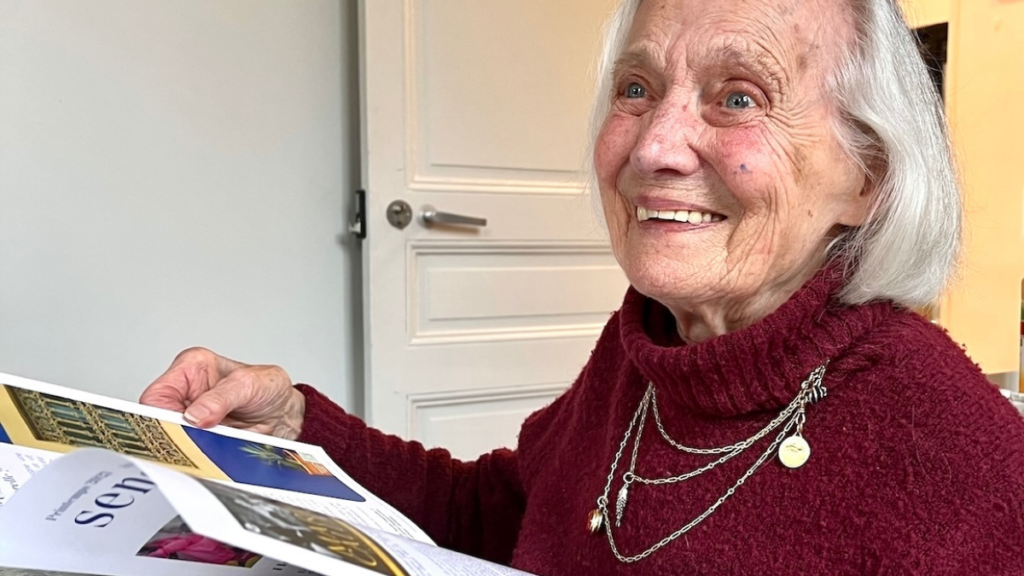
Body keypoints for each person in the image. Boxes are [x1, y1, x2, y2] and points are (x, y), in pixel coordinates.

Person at [141, 0, 1024, 572]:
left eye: (739, 97)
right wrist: (297, 427)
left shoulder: (965, 463)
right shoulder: (653, 345)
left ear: (867, 175)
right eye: (637, 88)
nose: (654, 147)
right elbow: (507, 511)